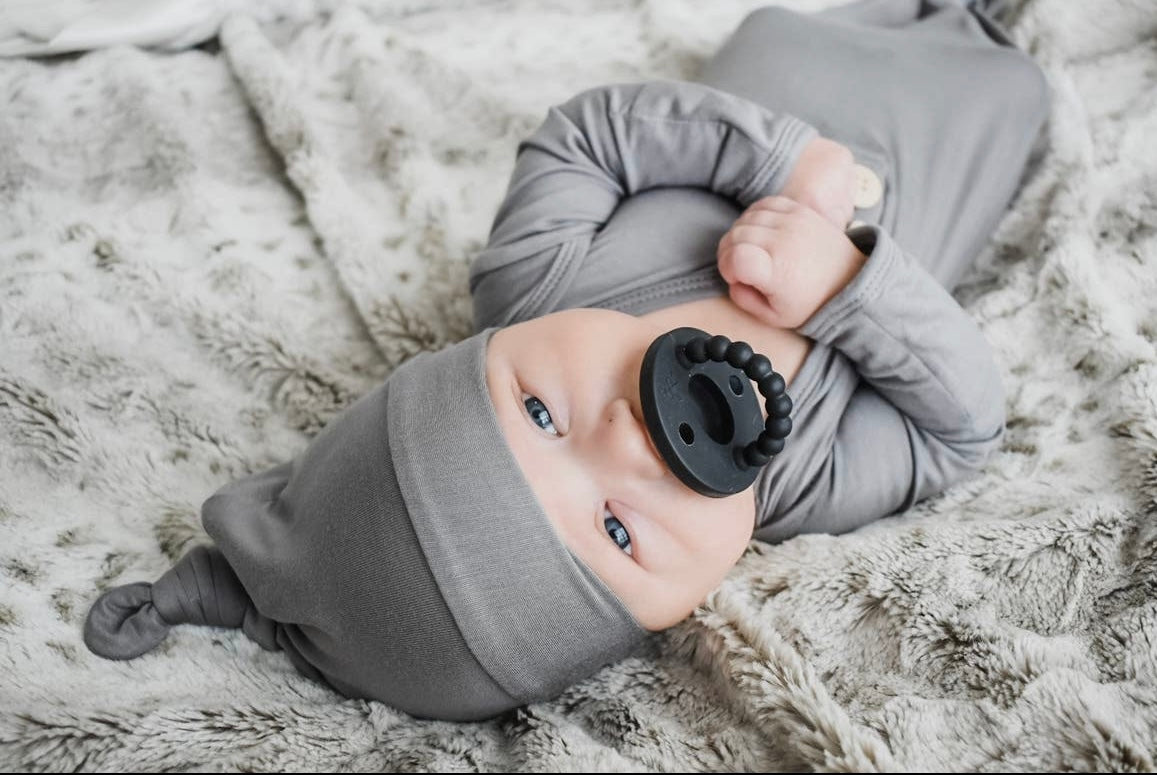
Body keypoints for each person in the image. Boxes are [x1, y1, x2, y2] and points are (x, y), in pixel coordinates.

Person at [82, 0, 1051, 722]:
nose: (632, 437)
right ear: (669, 613)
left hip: (782, 59)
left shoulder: (533, 280)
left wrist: (781, 166)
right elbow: (959, 427)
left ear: (483, 348)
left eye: (538, 414)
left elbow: (586, 137)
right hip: (958, 131)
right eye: (618, 534)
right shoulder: (801, 483)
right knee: (1018, 82)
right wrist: (844, 283)